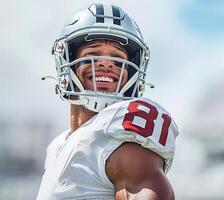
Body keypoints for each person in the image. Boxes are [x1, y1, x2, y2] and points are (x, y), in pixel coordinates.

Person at [36, 3, 179, 200]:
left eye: (118, 57)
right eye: (92, 54)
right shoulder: (57, 146)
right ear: (67, 61)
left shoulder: (120, 136)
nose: (106, 63)